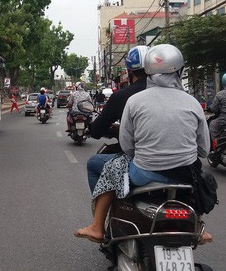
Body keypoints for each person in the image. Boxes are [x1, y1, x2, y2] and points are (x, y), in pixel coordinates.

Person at [75, 44, 212, 244]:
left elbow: (127, 146)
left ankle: (97, 226)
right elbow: (204, 149)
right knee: (197, 173)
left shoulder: (135, 100)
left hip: (144, 172)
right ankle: (199, 227)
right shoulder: (192, 102)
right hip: (185, 176)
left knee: (110, 166)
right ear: (180, 71)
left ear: (147, 72)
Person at [85, 45, 150, 193]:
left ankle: (102, 211)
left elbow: (97, 131)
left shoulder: (124, 97)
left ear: (128, 71)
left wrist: (116, 131)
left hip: (143, 165)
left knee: (93, 163)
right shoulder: (179, 96)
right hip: (184, 170)